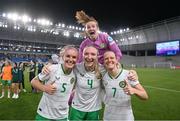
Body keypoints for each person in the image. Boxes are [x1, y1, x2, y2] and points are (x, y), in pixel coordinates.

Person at [31, 46, 78, 121]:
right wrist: (45, 88)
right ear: (62, 57)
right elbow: (33, 81)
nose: (71, 59)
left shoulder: (76, 72)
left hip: (62, 116)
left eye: (74, 57)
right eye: (68, 56)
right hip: (45, 114)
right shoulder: (52, 69)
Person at [102, 51, 148, 121]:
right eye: (106, 58)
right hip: (108, 118)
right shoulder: (103, 77)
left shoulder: (129, 75)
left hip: (126, 118)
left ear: (116, 60)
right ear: (104, 62)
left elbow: (145, 96)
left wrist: (134, 91)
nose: (109, 60)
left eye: (112, 58)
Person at [69, 46, 103, 120]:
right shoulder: (76, 67)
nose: (89, 57)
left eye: (93, 54)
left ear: (97, 56)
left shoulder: (103, 69)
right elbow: (63, 66)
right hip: (77, 108)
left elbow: (116, 70)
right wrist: (48, 66)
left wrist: (132, 73)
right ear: (83, 55)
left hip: (93, 109)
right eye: (86, 54)